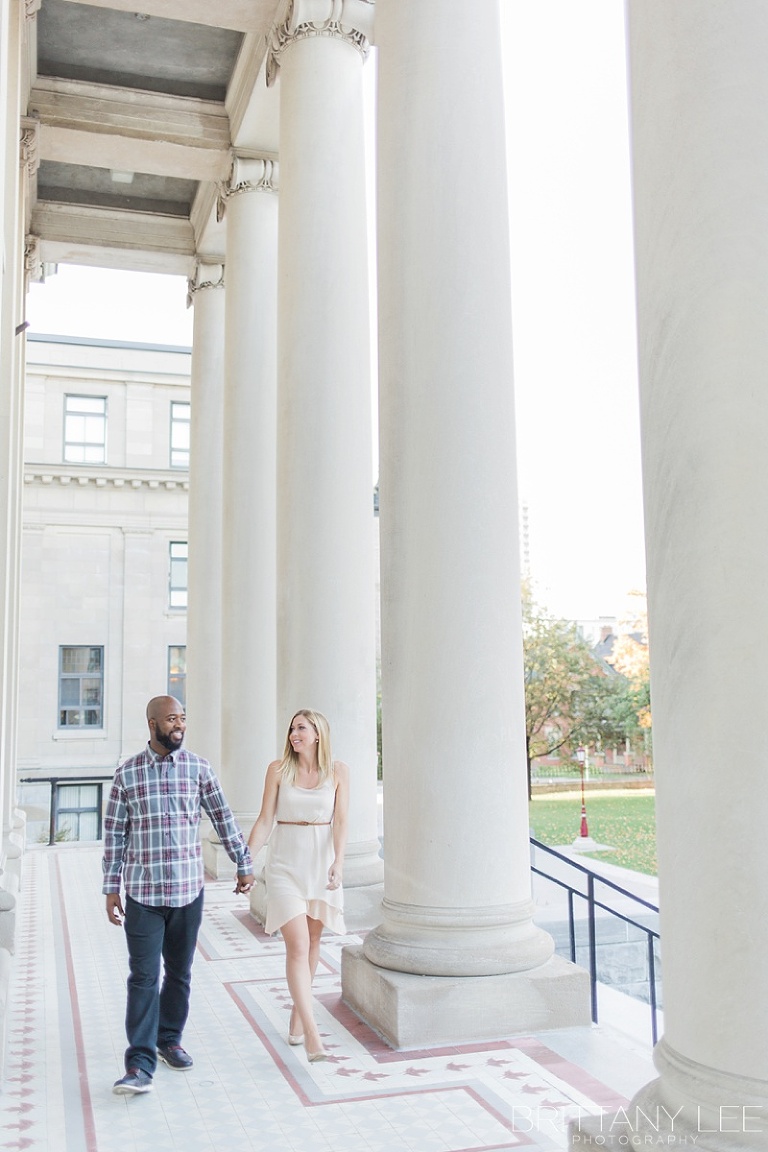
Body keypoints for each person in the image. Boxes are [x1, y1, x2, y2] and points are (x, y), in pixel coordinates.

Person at [103, 696, 255, 1096]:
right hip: (144, 894)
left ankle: (169, 1039)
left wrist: (243, 860)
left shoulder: (198, 768)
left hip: (189, 892)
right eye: (172, 719)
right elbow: (114, 835)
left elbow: (223, 816)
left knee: (180, 974)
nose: (179, 726)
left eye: (183, 718)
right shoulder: (128, 775)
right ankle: (138, 1064)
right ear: (152, 723)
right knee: (143, 977)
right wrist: (110, 887)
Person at [248, 709, 349, 1062]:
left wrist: (338, 862)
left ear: (318, 734)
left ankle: (296, 1016)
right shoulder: (278, 770)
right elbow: (264, 820)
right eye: (292, 728)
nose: (294, 733)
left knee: (314, 942)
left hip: (320, 865)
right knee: (298, 944)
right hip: (285, 865)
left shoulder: (338, 772)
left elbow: (340, 821)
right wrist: (246, 860)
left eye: (301, 728)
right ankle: (312, 1033)